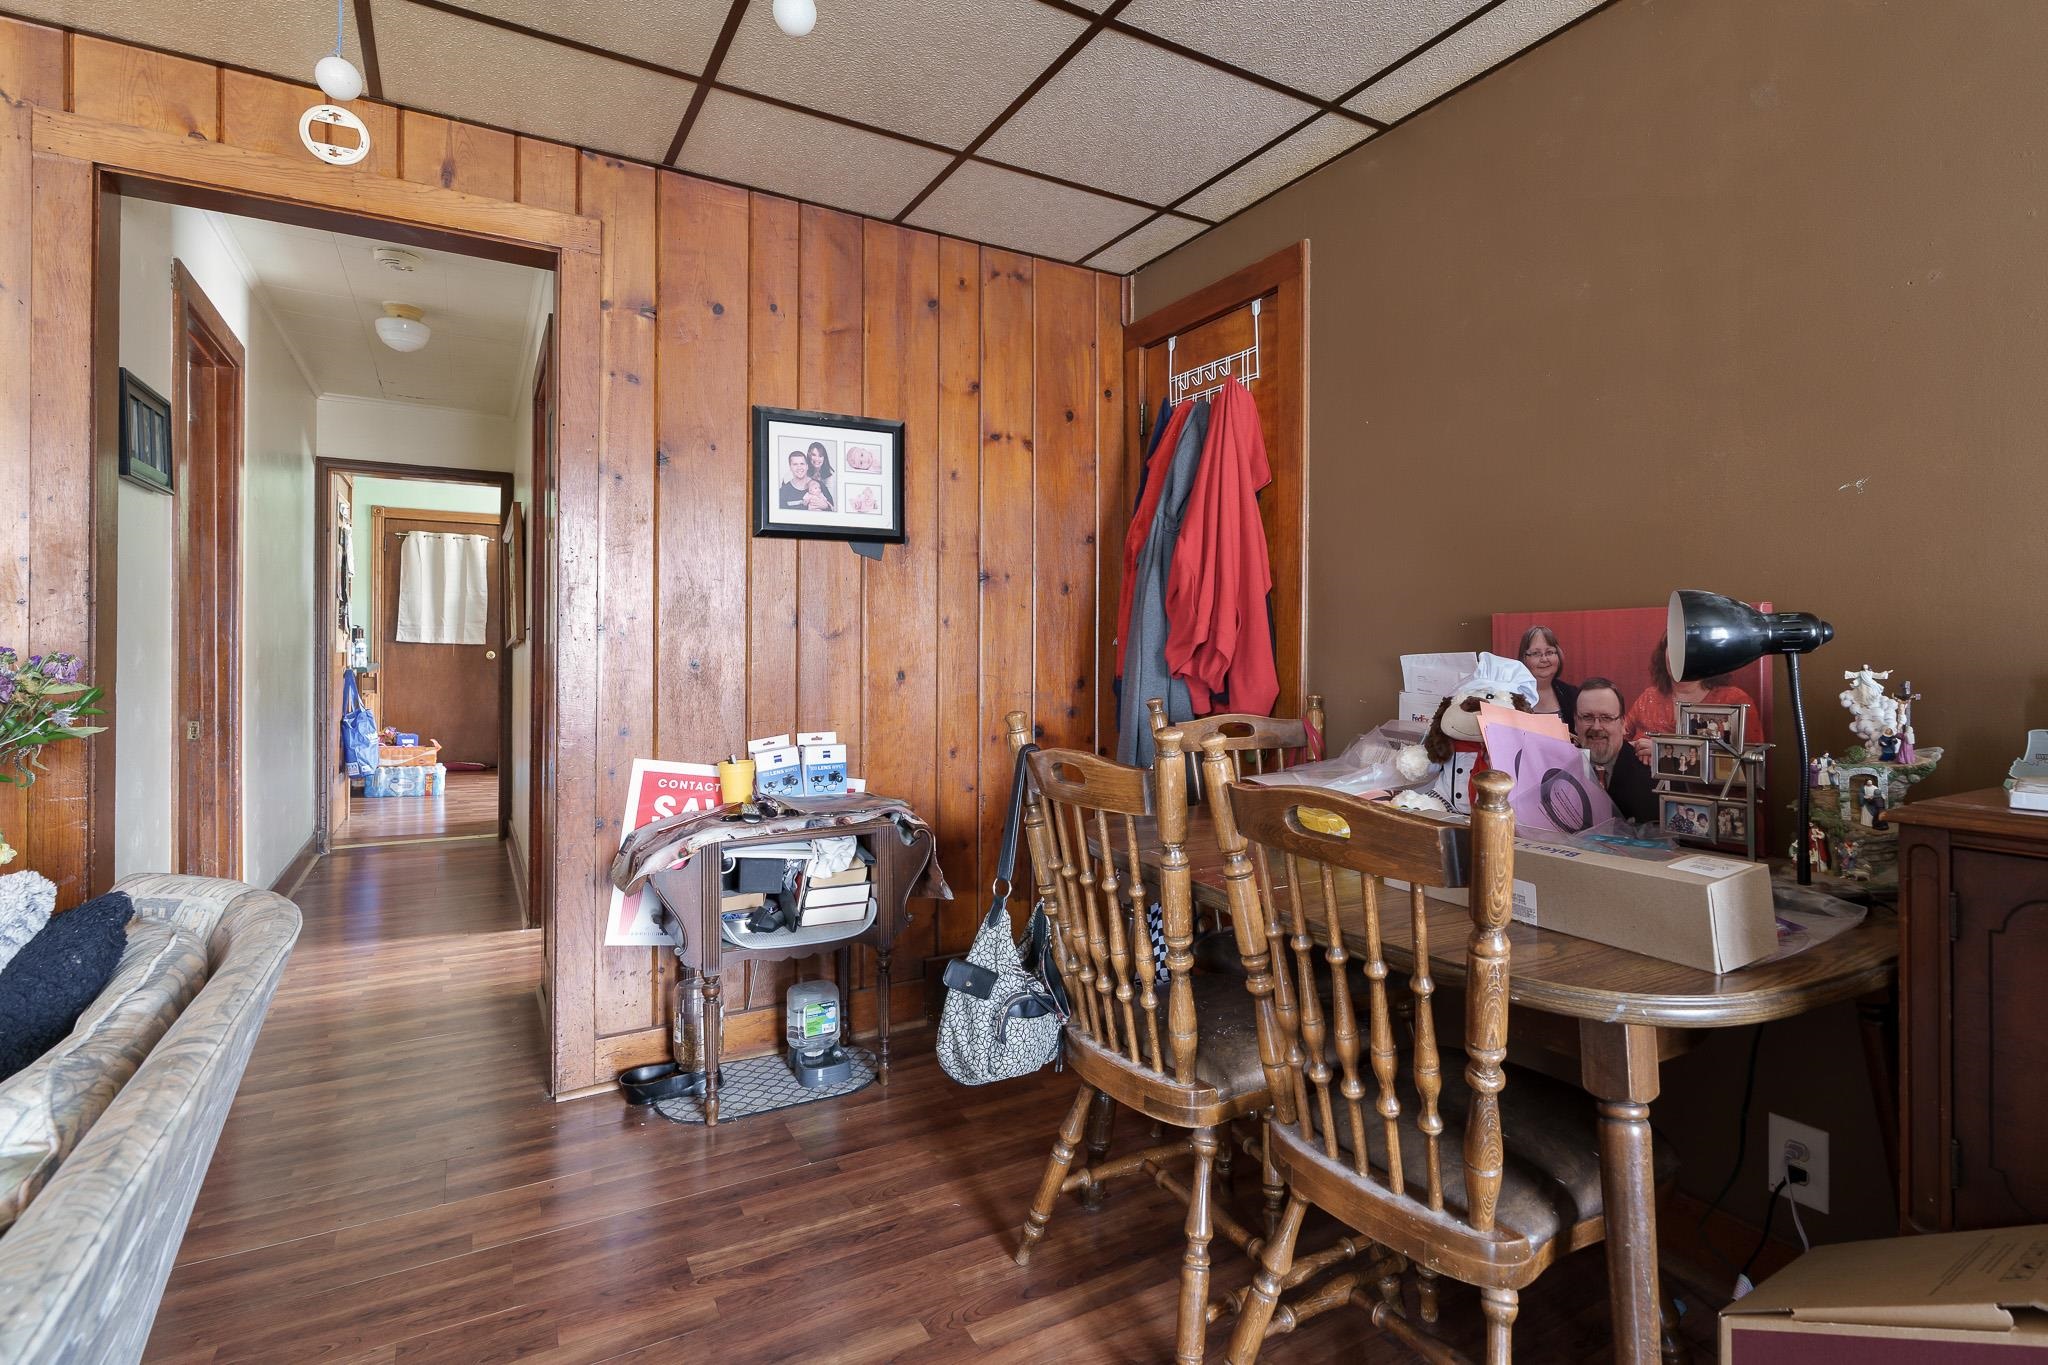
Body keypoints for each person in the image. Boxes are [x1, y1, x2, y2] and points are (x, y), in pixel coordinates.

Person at [1625, 633, 1761, 763]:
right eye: (1672, 646)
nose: (1677, 655)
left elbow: (1752, 760)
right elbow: (1618, 742)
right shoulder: (1648, 697)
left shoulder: (1734, 700)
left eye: (1688, 649)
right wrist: (1636, 748)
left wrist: (1663, 751)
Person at [1575, 677, 1657, 823]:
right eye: (1587, 717)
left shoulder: (1652, 775)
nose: (1596, 727)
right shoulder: (1560, 769)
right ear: (1575, 722)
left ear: (1623, 723)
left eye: (1606, 717)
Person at [1517, 624, 1579, 734]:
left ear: (1558, 655)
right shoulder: (1510, 695)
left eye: (1549, 652)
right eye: (1536, 653)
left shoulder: (1572, 694)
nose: (1544, 659)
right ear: (1524, 658)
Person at [804, 441, 836, 510]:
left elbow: (830, 501)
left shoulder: (829, 475)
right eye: (814, 455)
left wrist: (825, 505)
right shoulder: (804, 470)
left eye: (820, 456)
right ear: (809, 456)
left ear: (824, 458)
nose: (817, 459)